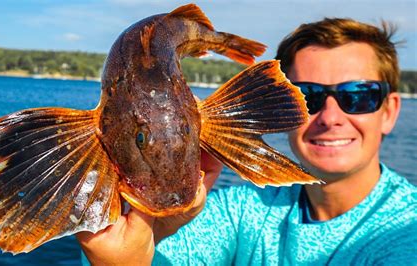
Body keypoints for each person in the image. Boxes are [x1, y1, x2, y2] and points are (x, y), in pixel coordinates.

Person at [77, 18, 416, 265]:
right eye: (308, 97)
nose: (330, 117)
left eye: (358, 96)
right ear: (277, 101)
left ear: (389, 111)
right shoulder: (240, 211)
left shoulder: (407, 229)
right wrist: (131, 251)